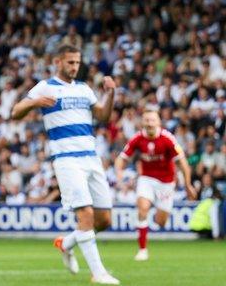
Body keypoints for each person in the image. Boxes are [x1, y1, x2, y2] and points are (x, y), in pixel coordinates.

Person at [11, 44, 120, 285]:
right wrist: (34, 102)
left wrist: (110, 94)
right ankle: (98, 273)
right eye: (70, 62)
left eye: (77, 62)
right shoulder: (45, 87)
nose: (74, 67)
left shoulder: (84, 88)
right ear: (58, 62)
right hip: (67, 160)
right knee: (86, 214)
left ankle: (66, 243)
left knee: (104, 220)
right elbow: (15, 111)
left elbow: (102, 115)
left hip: (91, 158)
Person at [114, 109, 197, 261]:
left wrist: (187, 184)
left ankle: (158, 212)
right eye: (147, 120)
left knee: (161, 221)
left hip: (166, 182)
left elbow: (183, 163)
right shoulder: (137, 138)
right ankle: (142, 249)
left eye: (152, 120)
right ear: (142, 122)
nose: (150, 123)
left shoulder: (167, 138)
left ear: (158, 122)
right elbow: (122, 158)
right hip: (146, 179)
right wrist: (119, 172)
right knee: (143, 208)